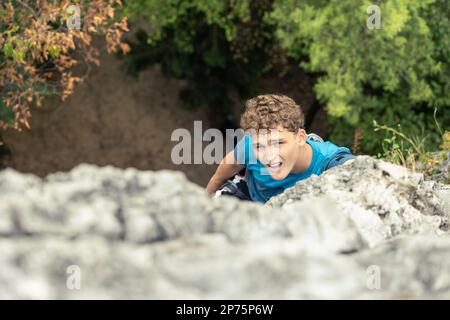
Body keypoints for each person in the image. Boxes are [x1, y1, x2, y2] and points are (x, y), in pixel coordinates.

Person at [206, 94, 355, 203]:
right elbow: (222, 173)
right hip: (250, 198)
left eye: (278, 143)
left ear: (300, 137)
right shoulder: (248, 146)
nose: (269, 156)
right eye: (260, 146)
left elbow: (354, 167)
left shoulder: (328, 160)